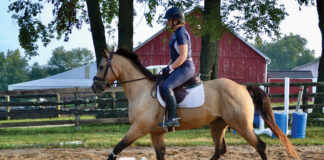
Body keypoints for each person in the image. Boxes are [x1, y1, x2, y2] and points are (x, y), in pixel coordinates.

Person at [159, 7, 195, 128]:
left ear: (176, 20)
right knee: (160, 81)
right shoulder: (176, 34)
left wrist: (171, 68)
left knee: (167, 86)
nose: (167, 22)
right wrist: (168, 67)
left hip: (186, 67)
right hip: (179, 66)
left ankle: (173, 118)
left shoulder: (181, 34)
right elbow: (175, 57)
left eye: (169, 20)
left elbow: (183, 56)